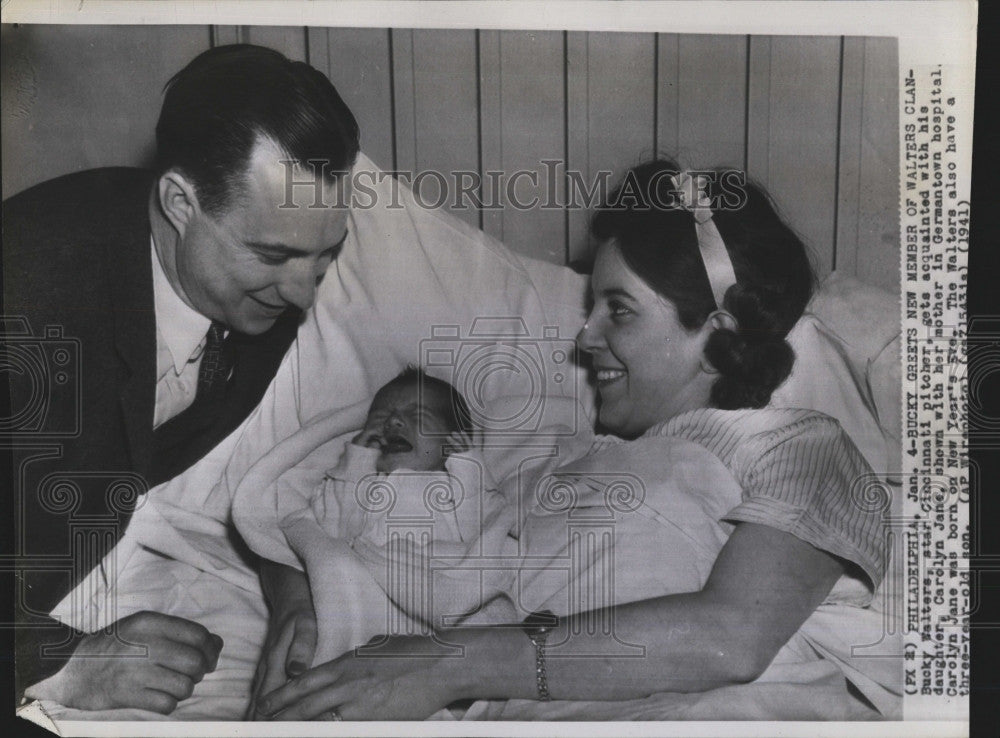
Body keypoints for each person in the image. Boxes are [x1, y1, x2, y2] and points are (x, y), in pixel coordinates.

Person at [251, 159, 897, 721]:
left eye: (617, 309)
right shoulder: (556, 457)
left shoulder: (796, 446)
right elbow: (391, 536)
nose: (584, 338)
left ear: (716, 332)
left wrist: (448, 665)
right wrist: (302, 602)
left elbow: (732, 634)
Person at [3, 44, 358, 713]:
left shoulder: (258, 289)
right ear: (177, 202)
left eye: (326, 253)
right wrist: (58, 664)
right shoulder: (23, 301)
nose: (307, 293)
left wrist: (291, 593)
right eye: (274, 255)